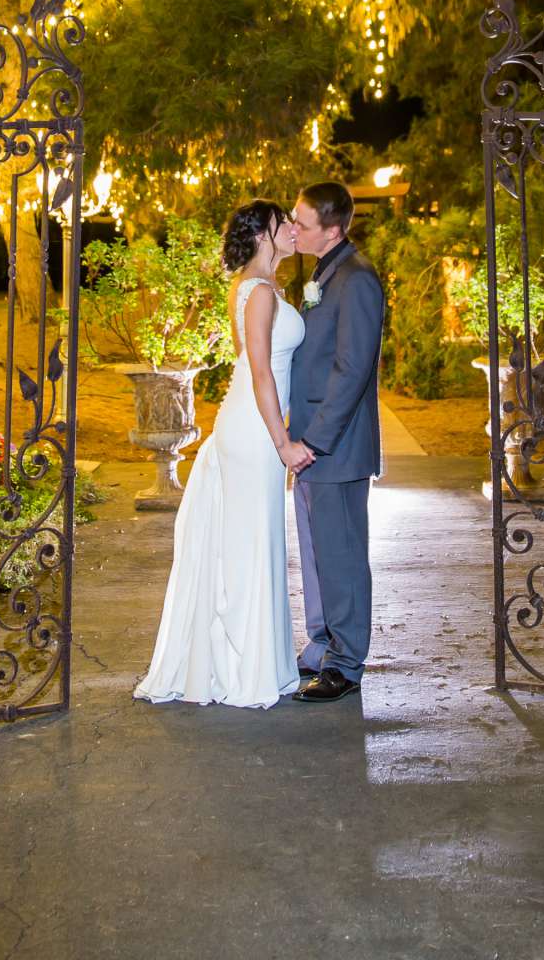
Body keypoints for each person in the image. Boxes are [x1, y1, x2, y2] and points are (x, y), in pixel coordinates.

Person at [132, 200, 305, 708]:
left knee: (258, 540)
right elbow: (260, 373)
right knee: (252, 542)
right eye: (283, 225)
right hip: (254, 430)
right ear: (262, 237)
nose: (293, 230)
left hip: (254, 424)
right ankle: (244, 671)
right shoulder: (258, 294)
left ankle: (259, 663)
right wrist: (284, 443)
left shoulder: (263, 286)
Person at [285, 181, 387, 703]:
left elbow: (351, 372)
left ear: (334, 229)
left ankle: (346, 665)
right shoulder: (325, 272)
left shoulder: (358, 280)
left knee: (342, 556)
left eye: (302, 224)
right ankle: (324, 644)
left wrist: (315, 443)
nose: (293, 229)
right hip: (312, 445)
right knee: (320, 553)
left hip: (336, 449)